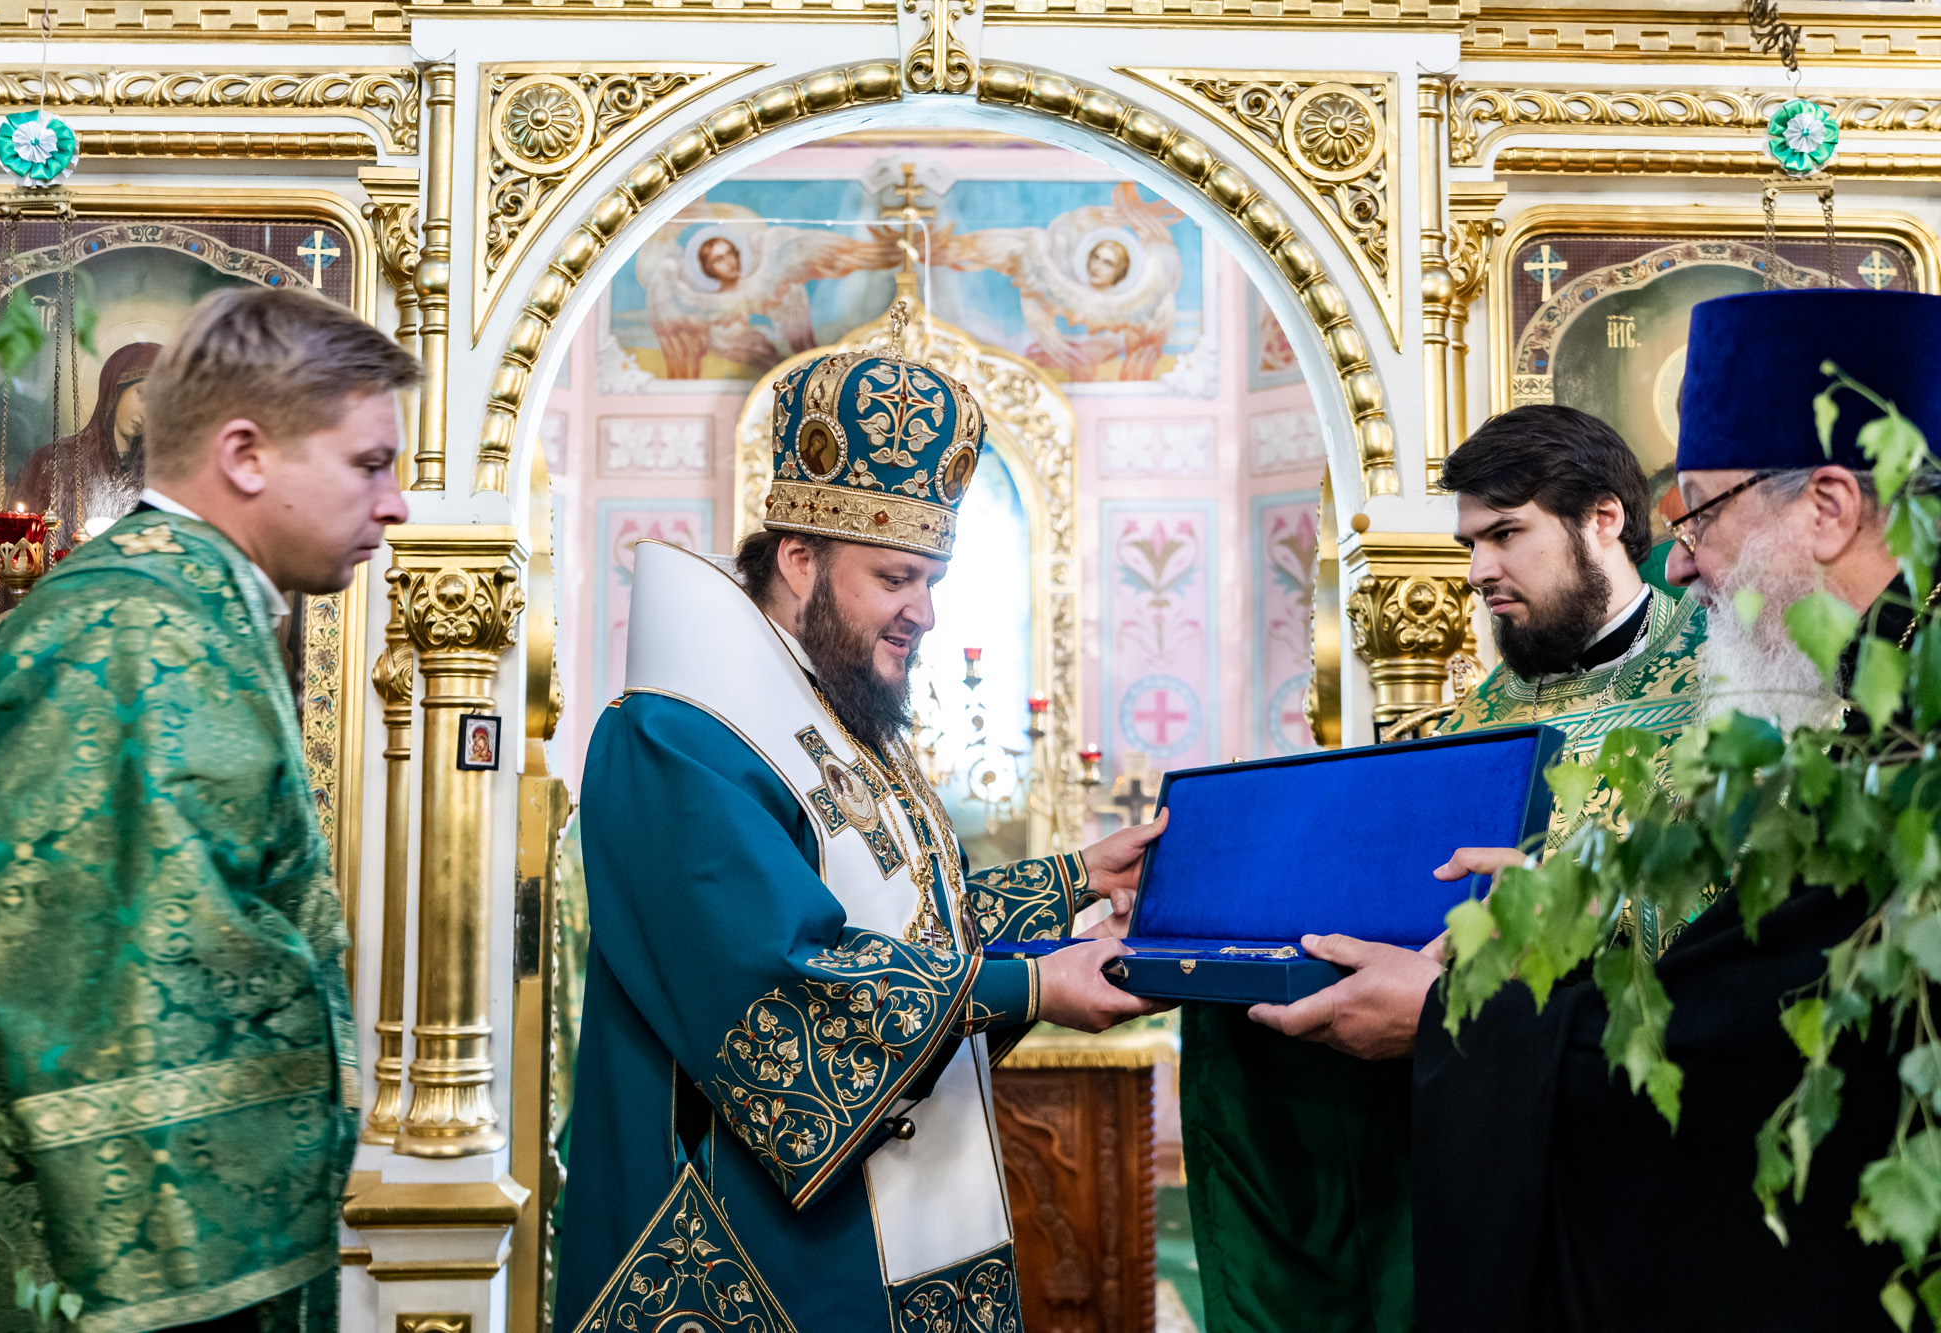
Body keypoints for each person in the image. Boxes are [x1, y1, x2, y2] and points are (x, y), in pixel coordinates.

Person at [1259, 288, 1936, 1332]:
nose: (1681, 559)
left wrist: (1449, 1021)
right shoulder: (1880, 690)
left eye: (1701, 510)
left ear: (1828, 507)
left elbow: (1757, 1048)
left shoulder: (1906, 723)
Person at [554, 328, 1168, 1332]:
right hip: (747, 1245)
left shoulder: (832, 714)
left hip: (897, 1205)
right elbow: (776, 984)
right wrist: (1031, 982)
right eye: (895, 578)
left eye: (931, 579)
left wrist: (1073, 879)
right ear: (799, 557)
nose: (923, 611)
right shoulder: (675, 734)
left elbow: (901, 922)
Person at [0, 285, 416, 1333]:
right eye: (369, 464)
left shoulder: (185, 615)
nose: (395, 507)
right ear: (246, 456)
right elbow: (122, 1024)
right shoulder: (130, 640)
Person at [1181, 405, 1706, 1333]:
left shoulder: (1723, 686)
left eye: (1507, 534)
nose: (1475, 574)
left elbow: (1754, 924)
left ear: (1604, 519)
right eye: (1471, 542)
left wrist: (1583, 914)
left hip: (1638, 1132)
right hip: (1486, 1135)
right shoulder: (1479, 718)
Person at [14, 340, 161, 537]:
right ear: (116, 389)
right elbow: (22, 545)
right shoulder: (52, 461)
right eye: (142, 395)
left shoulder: (158, 474)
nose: (145, 413)